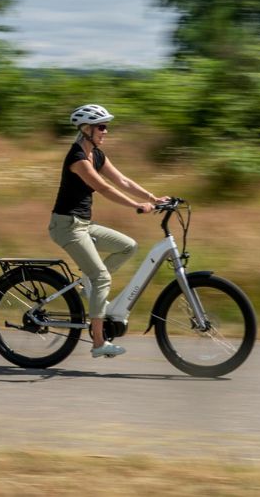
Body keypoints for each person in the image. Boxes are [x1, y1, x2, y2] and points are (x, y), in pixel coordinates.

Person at [49, 104, 168, 358]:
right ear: (87, 129)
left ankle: (87, 289)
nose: (106, 131)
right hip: (67, 227)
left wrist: (153, 198)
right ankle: (99, 342)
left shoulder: (97, 154)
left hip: (84, 225)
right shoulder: (78, 159)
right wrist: (136, 205)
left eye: (106, 126)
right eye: (102, 126)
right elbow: (103, 188)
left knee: (128, 246)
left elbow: (122, 180)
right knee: (102, 277)